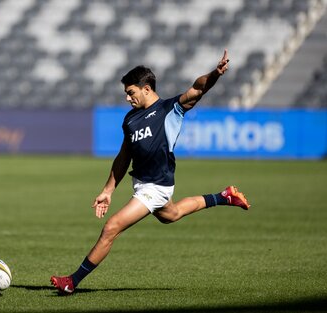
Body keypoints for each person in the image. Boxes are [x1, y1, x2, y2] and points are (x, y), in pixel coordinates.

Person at [50, 49, 250, 295]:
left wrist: (215, 74)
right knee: (171, 214)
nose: (127, 98)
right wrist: (108, 190)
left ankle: (72, 281)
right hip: (142, 183)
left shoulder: (170, 109)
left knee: (111, 227)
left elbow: (198, 89)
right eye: (126, 93)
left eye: (131, 92)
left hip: (157, 185)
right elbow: (124, 157)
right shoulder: (131, 120)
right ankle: (224, 196)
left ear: (147, 89)